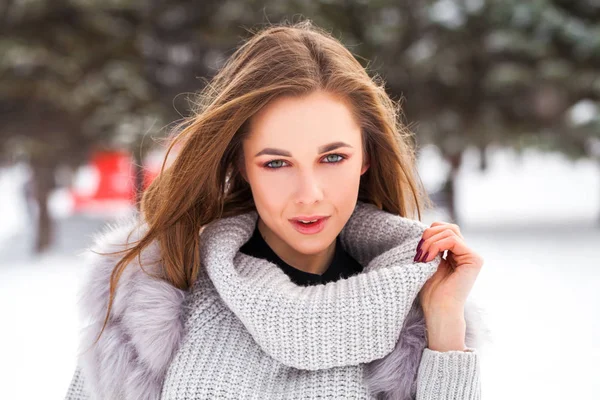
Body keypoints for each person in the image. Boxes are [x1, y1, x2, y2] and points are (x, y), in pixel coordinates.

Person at [64, 20, 488, 400]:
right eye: (277, 163)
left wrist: (445, 326)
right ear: (241, 166)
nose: (309, 194)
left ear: (366, 157)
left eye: (333, 157)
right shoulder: (159, 290)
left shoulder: (414, 308)